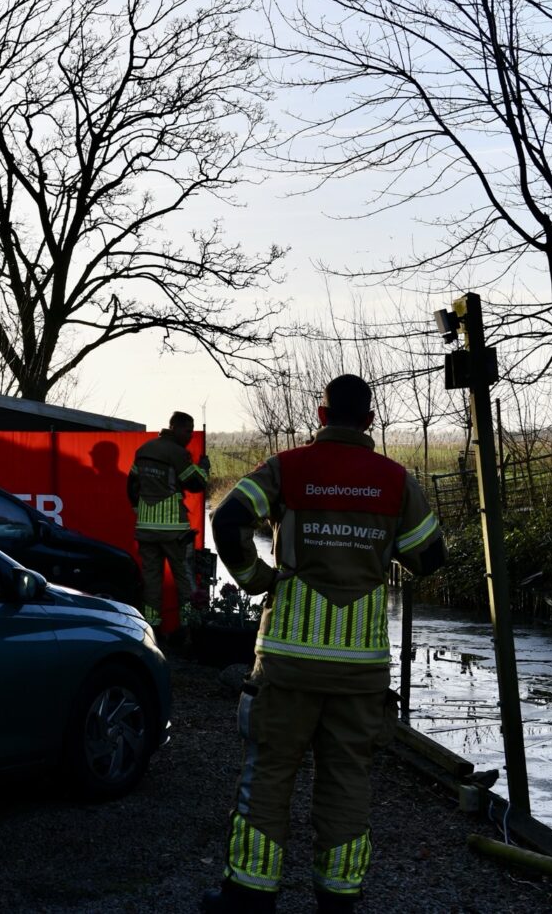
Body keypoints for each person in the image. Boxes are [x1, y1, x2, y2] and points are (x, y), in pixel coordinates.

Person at [202, 375, 446, 914]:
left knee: (268, 775)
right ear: (368, 421)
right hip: (360, 674)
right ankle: (337, 901)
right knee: (347, 785)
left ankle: (248, 895)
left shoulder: (288, 468)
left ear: (320, 414)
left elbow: (229, 517)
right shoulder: (396, 480)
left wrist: (254, 576)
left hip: (287, 662)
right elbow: (430, 557)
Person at [127, 410, 208, 632]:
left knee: (152, 581)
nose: (190, 436)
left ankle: (152, 629)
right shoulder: (178, 453)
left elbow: (132, 484)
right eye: (187, 431)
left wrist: (138, 509)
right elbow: (195, 484)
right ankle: (188, 631)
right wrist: (204, 468)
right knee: (184, 580)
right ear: (174, 427)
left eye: (192, 432)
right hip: (174, 532)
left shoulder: (144, 449)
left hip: (146, 530)